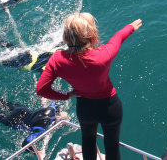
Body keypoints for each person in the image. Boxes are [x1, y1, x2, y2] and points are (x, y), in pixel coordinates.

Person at [36, 13, 143, 160]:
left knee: (88, 141)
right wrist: (130, 27)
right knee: (112, 145)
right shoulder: (103, 54)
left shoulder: (57, 59)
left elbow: (41, 89)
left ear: (66, 36)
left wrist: (68, 95)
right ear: (92, 35)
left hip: (85, 108)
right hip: (109, 107)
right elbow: (117, 38)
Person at [0, 90, 68, 153]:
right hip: (15, 121)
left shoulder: (51, 110)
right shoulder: (42, 128)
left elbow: (56, 104)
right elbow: (26, 143)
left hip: (22, 110)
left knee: (4, 103)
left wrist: (44, 102)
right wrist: (37, 152)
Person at [0, 34, 65, 72]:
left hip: (30, 55)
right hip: (26, 65)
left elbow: (63, 41)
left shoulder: (56, 51)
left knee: (14, 48)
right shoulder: (50, 68)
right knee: (2, 63)